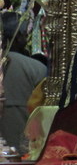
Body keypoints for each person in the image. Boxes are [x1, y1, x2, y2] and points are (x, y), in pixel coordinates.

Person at [0, 12, 47, 155]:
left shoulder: (34, 68)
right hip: (25, 150)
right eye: (24, 34)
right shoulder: (36, 68)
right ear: (18, 36)